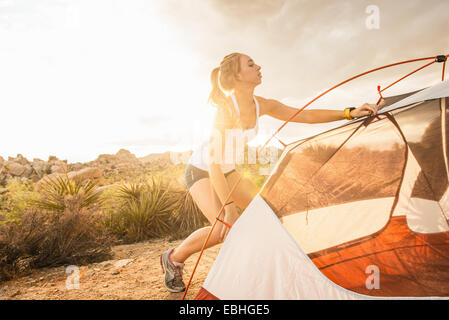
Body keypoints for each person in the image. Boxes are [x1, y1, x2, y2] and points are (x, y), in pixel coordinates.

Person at [160, 52, 379, 293]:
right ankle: (173, 259)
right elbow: (213, 164)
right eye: (251, 64)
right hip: (203, 170)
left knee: (266, 214)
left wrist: (349, 112)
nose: (259, 67)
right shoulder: (225, 110)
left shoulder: (261, 104)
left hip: (228, 170)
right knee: (222, 227)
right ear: (237, 76)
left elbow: (304, 115)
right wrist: (230, 208)